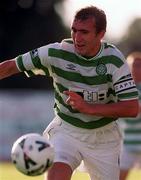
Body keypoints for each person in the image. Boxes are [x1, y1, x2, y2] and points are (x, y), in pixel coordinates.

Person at [0, 6, 139, 180]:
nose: (77, 38)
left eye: (84, 32)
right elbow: (11, 66)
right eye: (74, 30)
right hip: (66, 131)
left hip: (104, 138)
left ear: (101, 34)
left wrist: (89, 108)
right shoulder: (55, 53)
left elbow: (132, 108)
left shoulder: (114, 60)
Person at [120, 52, 141, 180]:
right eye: (134, 65)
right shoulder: (122, 89)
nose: (137, 69)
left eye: (140, 66)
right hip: (127, 142)